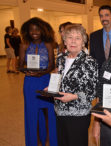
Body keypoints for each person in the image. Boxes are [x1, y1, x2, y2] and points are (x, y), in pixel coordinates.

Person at [52, 24, 98, 146]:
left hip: (78, 114)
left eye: (77, 38)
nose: (73, 41)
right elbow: (60, 79)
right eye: (70, 37)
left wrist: (73, 96)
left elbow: (93, 91)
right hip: (59, 111)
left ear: (83, 42)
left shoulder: (89, 62)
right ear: (65, 41)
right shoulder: (61, 58)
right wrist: (51, 88)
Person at [19, 17, 57, 146]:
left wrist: (41, 73)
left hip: (45, 80)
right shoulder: (24, 45)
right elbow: (19, 65)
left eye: (37, 29)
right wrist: (26, 70)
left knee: (48, 112)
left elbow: (52, 65)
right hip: (30, 83)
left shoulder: (48, 45)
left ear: (43, 30)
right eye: (31, 30)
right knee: (31, 112)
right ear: (27, 31)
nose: (34, 32)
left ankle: (49, 141)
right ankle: (34, 142)